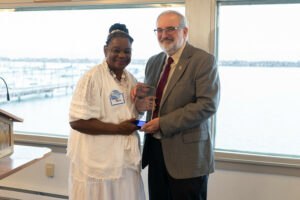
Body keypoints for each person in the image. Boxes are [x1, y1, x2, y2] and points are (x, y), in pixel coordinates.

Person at [135, 10, 220, 200]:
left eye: (170, 29)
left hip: (188, 159)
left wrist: (162, 123)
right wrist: (137, 103)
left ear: (185, 31)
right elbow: (149, 103)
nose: (164, 35)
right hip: (155, 153)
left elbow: (207, 105)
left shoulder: (203, 61)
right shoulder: (153, 62)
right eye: (159, 30)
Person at [67, 23, 145, 200]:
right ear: (105, 50)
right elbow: (76, 121)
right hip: (98, 165)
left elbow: (130, 122)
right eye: (116, 50)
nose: (122, 55)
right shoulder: (92, 78)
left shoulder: (131, 80)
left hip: (125, 164)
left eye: (127, 51)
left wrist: (144, 121)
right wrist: (118, 129)